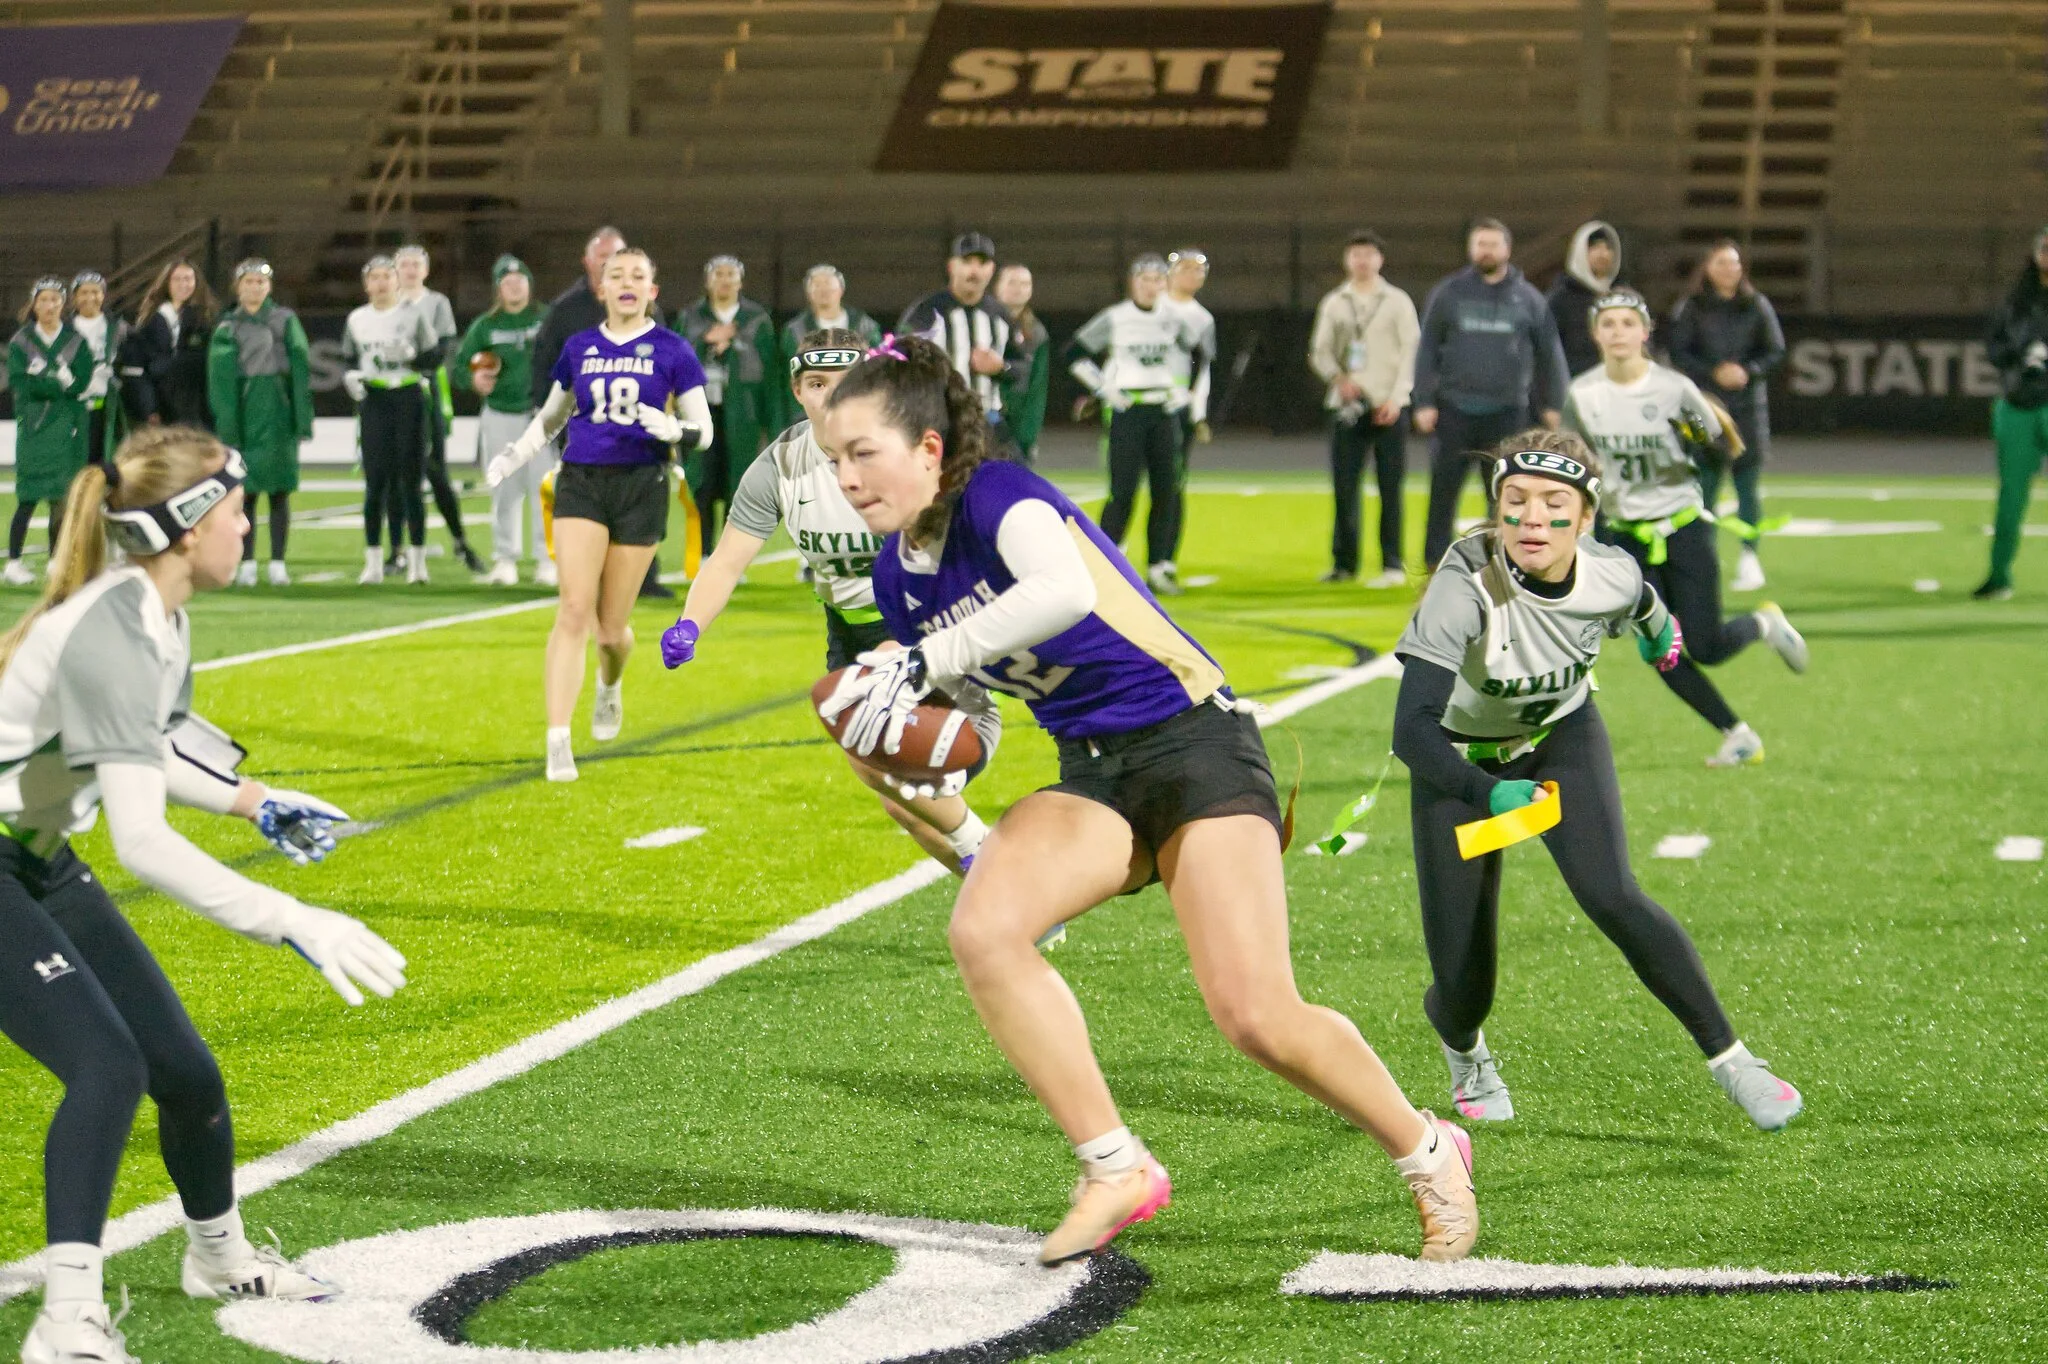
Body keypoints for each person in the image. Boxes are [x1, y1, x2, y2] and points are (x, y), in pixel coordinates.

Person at [815, 335, 1478, 1268]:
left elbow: (1061, 590)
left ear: (927, 446)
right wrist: (914, 768)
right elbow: (978, 713)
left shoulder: (999, 493)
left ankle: (1427, 1147)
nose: (844, 476)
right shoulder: (894, 574)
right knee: (984, 929)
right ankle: (1115, 1165)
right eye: (832, 456)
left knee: (1255, 1014)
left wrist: (922, 662)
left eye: (861, 452)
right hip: (1092, 772)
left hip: (1195, 743)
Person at [0, 425, 407, 1364]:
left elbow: (152, 747)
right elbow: (141, 840)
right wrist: (291, 919)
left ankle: (217, 1258)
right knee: (108, 1068)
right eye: (232, 506)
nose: (244, 522)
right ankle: (65, 1319)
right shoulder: (114, 631)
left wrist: (253, 800)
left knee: (186, 1074)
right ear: (186, 527)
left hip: (39, 856)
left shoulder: (158, 616)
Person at [1391, 431, 1802, 1133]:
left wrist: (1664, 638)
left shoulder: (1612, 572)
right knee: (1465, 983)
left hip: (1561, 742)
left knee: (1613, 893)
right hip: (1461, 764)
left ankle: (1735, 1062)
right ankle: (1465, 1051)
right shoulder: (1465, 592)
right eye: (1514, 502)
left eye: (1555, 504)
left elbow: (1649, 615)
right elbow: (1412, 733)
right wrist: (1486, 792)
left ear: (1586, 519)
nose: (1531, 519)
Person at [660, 330, 997, 874]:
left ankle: (983, 845)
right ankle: (998, 884)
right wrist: (689, 625)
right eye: (816, 383)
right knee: (900, 800)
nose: (830, 395)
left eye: (845, 382)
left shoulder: (904, 448)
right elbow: (725, 561)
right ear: (797, 391)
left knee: (893, 751)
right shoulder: (780, 466)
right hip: (848, 630)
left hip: (922, 616)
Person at [487, 247, 712, 783]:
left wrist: (675, 431)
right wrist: (514, 455)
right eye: (617, 275)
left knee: (611, 632)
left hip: (642, 485)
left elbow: (705, 430)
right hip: (582, 481)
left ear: (653, 290)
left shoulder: (674, 350)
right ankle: (557, 739)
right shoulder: (579, 345)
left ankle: (609, 685)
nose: (627, 282)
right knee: (572, 609)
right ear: (602, 288)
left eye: (639, 275)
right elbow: (550, 417)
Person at [1564, 291, 1807, 767]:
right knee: (1661, 650)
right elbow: (1578, 465)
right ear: (1596, 334)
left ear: (1644, 332)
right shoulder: (1583, 395)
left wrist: (1700, 447)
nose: (1617, 333)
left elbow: (1716, 449)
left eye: (1626, 324)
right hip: (1627, 538)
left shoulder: (1673, 390)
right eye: (1607, 324)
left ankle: (1763, 624)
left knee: (1707, 646)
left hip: (1682, 527)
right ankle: (1737, 734)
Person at [1413, 219, 1570, 569]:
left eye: (1493, 244)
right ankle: (1434, 563)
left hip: (1508, 412)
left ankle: (1503, 560)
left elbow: (1550, 355)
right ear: (1471, 249)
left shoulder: (1528, 298)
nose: (1487, 250)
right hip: (1454, 408)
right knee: (1443, 494)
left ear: (1507, 250)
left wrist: (1554, 404)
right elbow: (1426, 350)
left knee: (1506, 495)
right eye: (1480, 244)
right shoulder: (1449, 293)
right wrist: (1423, 400)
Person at [528, 227, 672, 601]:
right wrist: (549, 418)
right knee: (585, 502)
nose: (614, 266)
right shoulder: (566, 311)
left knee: (642, 499)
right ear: (588, 263)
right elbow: (544, 364)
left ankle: (643, 577)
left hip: (638, 432)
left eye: (620, 257)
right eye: (604, 259)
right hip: (583, 433)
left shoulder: (648, 309)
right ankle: (588, 579)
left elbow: (668, 363)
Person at [1066, 255, 1215, 597]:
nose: (1151, 286)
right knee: (1122, 492)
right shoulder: (1117, 317)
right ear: (1134, 283)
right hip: (1128, 411)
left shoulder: (1175, 319)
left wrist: (1185, 394)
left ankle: (1160, 567)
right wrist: (1104, 388)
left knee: (1167, 491)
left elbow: (1200, 355)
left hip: (1163, 411)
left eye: (1158, 280)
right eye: (1145, 279)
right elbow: (1073, 352)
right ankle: (1109, 565)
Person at [1667, 239, 1787, 594]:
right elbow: (1678, 352)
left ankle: (1750, 557)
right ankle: (1704, 558)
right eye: (1721, 263)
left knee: (1747, 484)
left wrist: (1748, 371)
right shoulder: (1692, 307)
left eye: (1733, 264)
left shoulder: (1756, 305)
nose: (1728, 270)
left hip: (1748, 408)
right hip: (1704, 406)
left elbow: (1776, 350)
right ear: (1707, 268)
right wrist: (1711, 372)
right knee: (1704, 486)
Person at [1308, 229, 1420, 588]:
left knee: (1391, 487)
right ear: (1347, 260)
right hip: (1347, 405)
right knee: (1345, 487)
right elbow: (1319, 351)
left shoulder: (1398, 301)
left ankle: (1391, 563)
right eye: (1356, 254)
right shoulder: (1335, 301)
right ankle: (1344, 563)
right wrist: (1338, 379)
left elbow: (1410, 353)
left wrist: (1397, 398)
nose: (1362, 261)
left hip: (1387, 405)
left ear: (1380, 260)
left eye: (1369, 254)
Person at [205, 259, 312, 589]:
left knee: (280, 492)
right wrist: (229, 428)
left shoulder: (285, 320)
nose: (254, 288)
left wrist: (301, 419)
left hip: (278, 415)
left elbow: (300, 368)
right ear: (238, 287)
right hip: (246, 415)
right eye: (248, 282)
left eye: (260, 283)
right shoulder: (228, 326)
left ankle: (278, 561)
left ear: (269, 287)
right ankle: (248, 561)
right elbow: (221, 382)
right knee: (246, 495)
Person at [342, 255, 447, 587]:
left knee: (411, 484)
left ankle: (417, 562)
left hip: (408, 397)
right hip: (374, 401)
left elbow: (435, 356)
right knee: (375, 484)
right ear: (366, 284)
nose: (381, 282)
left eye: (387, 275)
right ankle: (372, 561)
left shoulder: (413, 314)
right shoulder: (357, 318)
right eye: (374, 277)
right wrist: (351, 377)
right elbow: (348, 358)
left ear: (396, 281)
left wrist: (413, 356)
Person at [675, 255, 784, 559]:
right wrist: (706, 342)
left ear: (740, 281)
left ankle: (729, 556)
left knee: (738, 484)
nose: (724, 280)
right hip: (700, 412)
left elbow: (769, 373)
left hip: (743, 414)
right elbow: (677, 359)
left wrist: (772, 423)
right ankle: (704, 552)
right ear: (708, 281)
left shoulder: (756, 318)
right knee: (702, 482)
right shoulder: (691, 317)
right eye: (718, 274)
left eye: (730, 274)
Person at [454, 254, 552, 586]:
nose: (514, 285)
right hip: (500, 414)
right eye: (507, 281)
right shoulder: (486, 326)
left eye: (519, 279)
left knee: (545, 488)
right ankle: (505, 558)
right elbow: (459, 368)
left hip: (542, 415)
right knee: (505, 488)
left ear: (529, 283)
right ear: (498, 288)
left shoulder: (547, 318)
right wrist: (474, 381)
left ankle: (546, 559)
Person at [390, 245, 486, 577]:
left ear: (426, 271)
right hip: (390, 394)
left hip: (425, 394)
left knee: (435, 472)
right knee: (394, 475)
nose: (410, 270)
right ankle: (397, 550)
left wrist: (411, 359)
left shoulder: (436, 304)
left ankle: (460, 541)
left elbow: (442, 351)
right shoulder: (384, 304)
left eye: (416, 264)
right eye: (404, 264)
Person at [897, 231, 1028, 453]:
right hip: (938, 422)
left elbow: (1022, 368)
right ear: (952, 267)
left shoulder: (1000, 316)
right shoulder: (926, 312)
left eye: (982, 263)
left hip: (986, 422)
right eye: (967, 262)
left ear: (991, 270)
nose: (974, 271)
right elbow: (897, 361)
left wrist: (1000, 368)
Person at [5, 278, 90, 587]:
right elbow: (21, 384)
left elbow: (81, 383)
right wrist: (58, 384)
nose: (50, 305)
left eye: (55, 299)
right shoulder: (21, 341)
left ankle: (57, 559)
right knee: (27, 497)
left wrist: (48, 381)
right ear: (34, 304)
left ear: (63, 304)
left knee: (60, 499)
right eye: (43, 300)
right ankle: (14, 562)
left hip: (64, 429)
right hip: (34, 429)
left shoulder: (75, 341)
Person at [1979, 228, 2048, 602]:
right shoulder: (2018, 299)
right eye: (2045, 248)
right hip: (2019, 403)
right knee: (2010, 497)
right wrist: (2018, 357)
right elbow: (1994, 345)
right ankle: (1999, 574)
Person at [120, 258, 215, 431]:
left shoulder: (208, 319)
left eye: (188, 279)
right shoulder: (149, 321)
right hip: (161, 406)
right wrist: (149, 408)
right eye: (177, 279)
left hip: (197, 408)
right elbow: (137, 369)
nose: (183, 284)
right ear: (166, 283)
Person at [778, 265, 883, 389]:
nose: (823, 291)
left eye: (828, 285)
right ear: (808, 294)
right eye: (817, 286)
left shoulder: (865, 327)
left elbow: (878, 368)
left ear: (841, 290)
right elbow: (786, 375)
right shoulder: (795, 331)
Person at [65, 272, 132, 468]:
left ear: (103, 295)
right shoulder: (64, 329)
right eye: (84, 292)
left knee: (105, 456)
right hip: (71, 405)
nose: (90, 298)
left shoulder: (118, 327)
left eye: (95, 292)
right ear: (75, 297)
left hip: (107, 405)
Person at [1545, 220, 1625, 378]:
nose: (1603, 254)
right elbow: (1547, 351)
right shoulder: (1560, 299)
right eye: (1595, 247)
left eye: (1608, 248)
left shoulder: (1623, 297)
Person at [1162, 248, 1218, 454]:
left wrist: (1198, 415)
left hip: (1179, 404)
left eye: (1199, 270)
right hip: (1142, 399)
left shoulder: (1203, 319)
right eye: (1186, 268)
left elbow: (1203, 368)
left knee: (1174, 470)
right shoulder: (1149, 307)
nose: (1193, 274)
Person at [995, 264, 1050, 466]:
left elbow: (1038, 386)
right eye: (1012, 282)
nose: (1018, 288)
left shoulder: (1036, 333)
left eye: (1025, 283)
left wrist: (1028, 434)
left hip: (1018, 422)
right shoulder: (981, 323)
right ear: (997, 287)